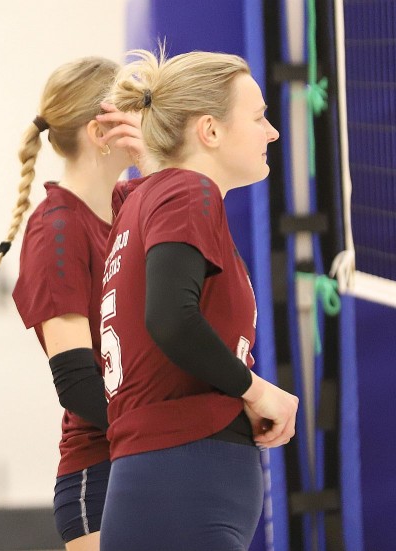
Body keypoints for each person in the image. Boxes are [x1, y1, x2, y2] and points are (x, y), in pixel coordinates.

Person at [97, 49, 299, 551]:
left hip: (168, 479)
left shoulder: (148, 198)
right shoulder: (188, 192)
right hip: (183, 478)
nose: (273, 132)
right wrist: (257, 391)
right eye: (259, 117)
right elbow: (171, 320)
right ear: (209, 130)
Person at [0, 57, 144, 551]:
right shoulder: (57, 229)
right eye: (138, 110)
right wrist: (161, 434)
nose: (148, 122)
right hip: (103, 471)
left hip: (143, 455)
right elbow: (78, 384)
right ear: (101, 132)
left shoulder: (132, 202)